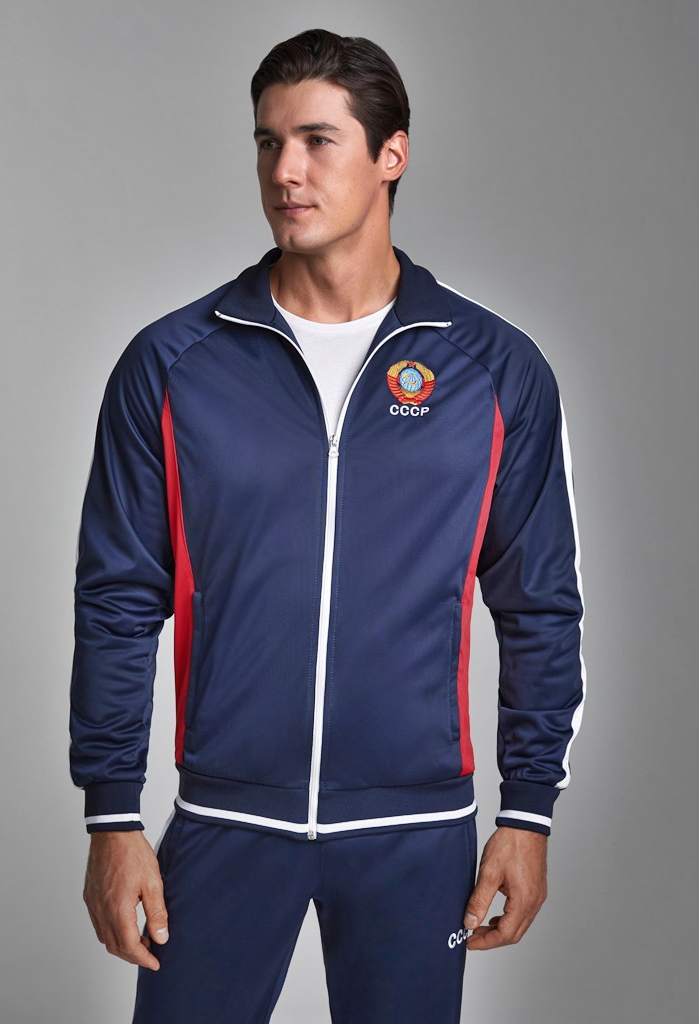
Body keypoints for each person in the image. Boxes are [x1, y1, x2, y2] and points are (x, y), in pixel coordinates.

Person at [69, 27, 586, 1024]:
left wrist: (528, 812)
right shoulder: (173, 365)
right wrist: (112, 813)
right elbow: (118, 599)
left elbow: (540, 605)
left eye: (316, 141)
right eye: (268, 143)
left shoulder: (493, 370)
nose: (285, 172)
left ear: (392, 154)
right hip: (225, 816)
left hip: (416, 830)